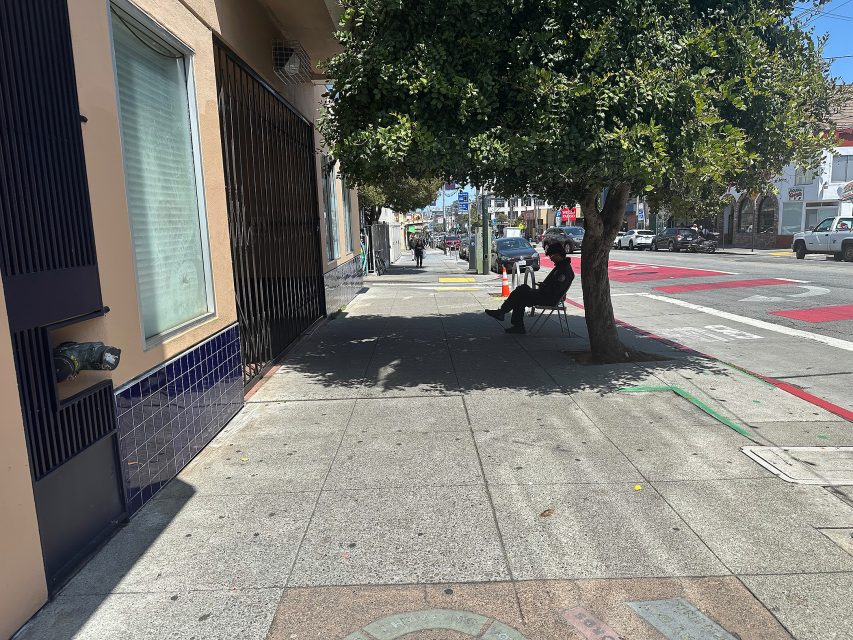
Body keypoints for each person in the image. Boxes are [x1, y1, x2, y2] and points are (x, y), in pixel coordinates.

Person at [484, 243, 574, 334]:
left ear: (558, 255)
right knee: (521, 293)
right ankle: (514, 323)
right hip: (546, 294)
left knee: (521, 293)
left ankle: (504, 314)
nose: (550, 258)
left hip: (550, 298)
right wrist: (544, 286)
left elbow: (556, 290)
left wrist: (544, 286)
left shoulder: (564, 270)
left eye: (551, 256)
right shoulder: (561, 266)